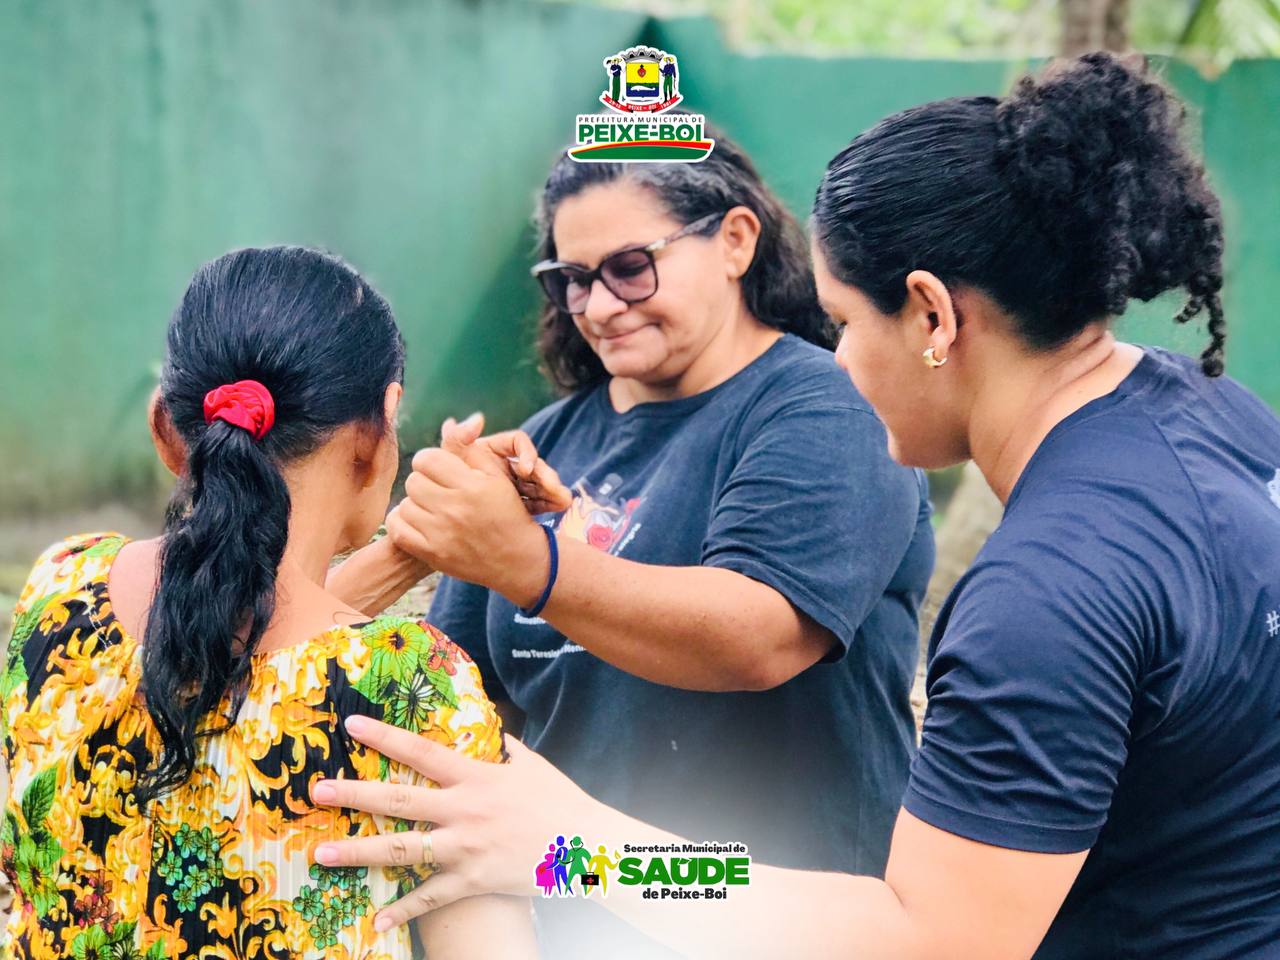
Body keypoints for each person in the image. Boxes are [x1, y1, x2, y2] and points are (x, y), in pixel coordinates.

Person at [311, 53, 1280, 959]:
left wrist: (573, 854)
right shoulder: (1212, 415)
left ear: (933, 315)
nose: (839, 361)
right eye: (573, 281)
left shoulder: (1044, 591)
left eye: (845, 323)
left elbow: (926, 940)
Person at [325, 129, 934, 955]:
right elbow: (457, 707)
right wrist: (417, 546)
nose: (601, 306)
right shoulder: (547, 440)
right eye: (573, 280)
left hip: (767, 912)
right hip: (578, 899)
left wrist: (528, 563)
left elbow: (758, 638)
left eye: (630, 267)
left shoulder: (823, 407)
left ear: (736, 240)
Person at [0, 247, 535, 958]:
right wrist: (569, 858)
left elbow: (244, 642)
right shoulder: (412, 688)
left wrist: (410, 551)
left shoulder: (61, 591)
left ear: (165, 429)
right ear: (380, 430)